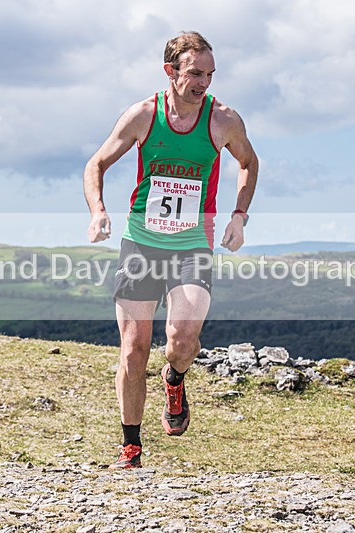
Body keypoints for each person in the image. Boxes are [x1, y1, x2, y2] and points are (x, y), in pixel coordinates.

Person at [83, 31, 259, 469]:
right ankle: (131, 447)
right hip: (142, 242)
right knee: (133, 345)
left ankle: (175, 378)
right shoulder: (143, 115)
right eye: (195, 73)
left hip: (192, 245)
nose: (204, 83)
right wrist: (98, 210)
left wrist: (239, 214)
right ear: (171, 72)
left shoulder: (223, 121)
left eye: (210, 74)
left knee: (182, 339)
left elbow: (249, 163)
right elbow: (96, 164)